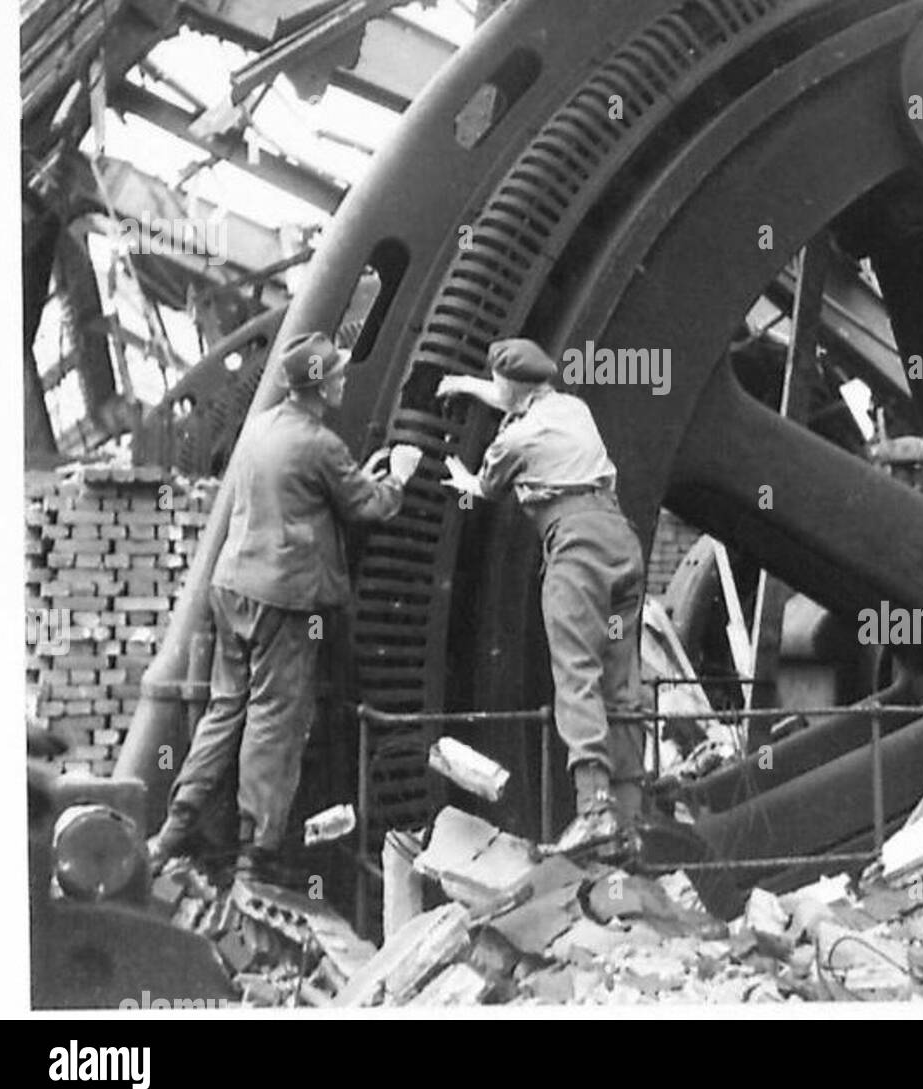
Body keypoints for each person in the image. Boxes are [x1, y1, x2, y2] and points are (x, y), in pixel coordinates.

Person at [148, 332, 423, 878]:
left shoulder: (261, 426)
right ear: (319, 386)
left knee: (227, 708)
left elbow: (304, 493)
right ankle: (260, 850)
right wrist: (400, 476)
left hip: (233, 589)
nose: (346, 378)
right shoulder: (320, 443)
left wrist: (357, 474)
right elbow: (368, 508)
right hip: (284, 598)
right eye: (339, 373)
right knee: (276, 718)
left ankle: (176, 827)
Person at [437, 338, 646, 856]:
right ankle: (629, 821)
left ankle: (594, 811)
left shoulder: (515, 441)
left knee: (577, 675)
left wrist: (461, 479)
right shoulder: (573, 408)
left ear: (511, 389)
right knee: (619, 681)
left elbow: (484, 490)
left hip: (576, 554)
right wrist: (466, 385)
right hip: (621, 548)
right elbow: (515, 394)